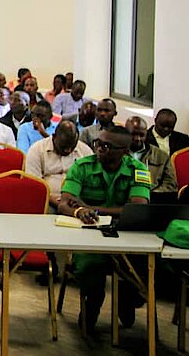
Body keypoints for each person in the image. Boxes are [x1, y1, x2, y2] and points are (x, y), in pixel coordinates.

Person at [58, 126, 151, 333]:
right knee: (90, 269)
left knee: (141, 270)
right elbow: (64, 203)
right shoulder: (82, 166)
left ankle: (127, 299)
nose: (99, 148)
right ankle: (92, 306)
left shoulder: (139, 170)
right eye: (98, 143)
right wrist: (79, 211)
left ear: (124, 151)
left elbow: (137, 208)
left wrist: (93, 208)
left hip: (125, 236)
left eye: (106, 146)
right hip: (88, 236)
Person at [26, 120, 93, 208]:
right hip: (46, 202)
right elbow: (35, 186)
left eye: (72, 146)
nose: (68, 150)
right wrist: (62, 205)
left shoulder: (85, 150)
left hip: (79, 203)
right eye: (64, 147)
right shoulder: (36, 150)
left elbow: (92, 183)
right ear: (54, 137)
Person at [127, 116, 177, 195]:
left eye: (142, 135)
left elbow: (170, 185)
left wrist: (147, 194)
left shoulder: (161, 156)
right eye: (133, 134)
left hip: (153, 198)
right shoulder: (115, 153)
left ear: (146, 134)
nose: (138, 139)